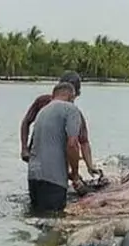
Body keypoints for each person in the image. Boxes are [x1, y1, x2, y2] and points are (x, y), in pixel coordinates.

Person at [20, 70, 101, 177]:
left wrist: (90, 167)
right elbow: (26, 122)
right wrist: (24, 149)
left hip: (54, 160)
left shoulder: (75, 114)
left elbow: (84, 142)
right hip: (38, 155)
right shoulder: (42, 102)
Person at [26, 82, 84, 214]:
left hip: (33, 176)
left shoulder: (43, 111)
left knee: (38, 220)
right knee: (54, 223)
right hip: (54, 179)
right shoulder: (70, 109)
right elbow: (72, 144)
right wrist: (75, 175)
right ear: (71, 96)